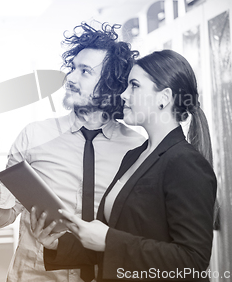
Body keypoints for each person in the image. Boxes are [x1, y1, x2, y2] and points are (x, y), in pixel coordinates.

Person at [0, 22, 145, 282]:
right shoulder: (34, 136)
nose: (70, 78)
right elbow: (0, 218)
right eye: (73, 68)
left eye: (85, 72)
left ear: (111, 84)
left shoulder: (136, 149)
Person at [31, 50, 217, 281]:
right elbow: (114, 244)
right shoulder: (135, 156)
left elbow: (192, 261)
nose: (123, 94)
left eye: (134, 86)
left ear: (163, 98)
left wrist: (109, 240)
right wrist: (57, 244)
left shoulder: (185, 163)